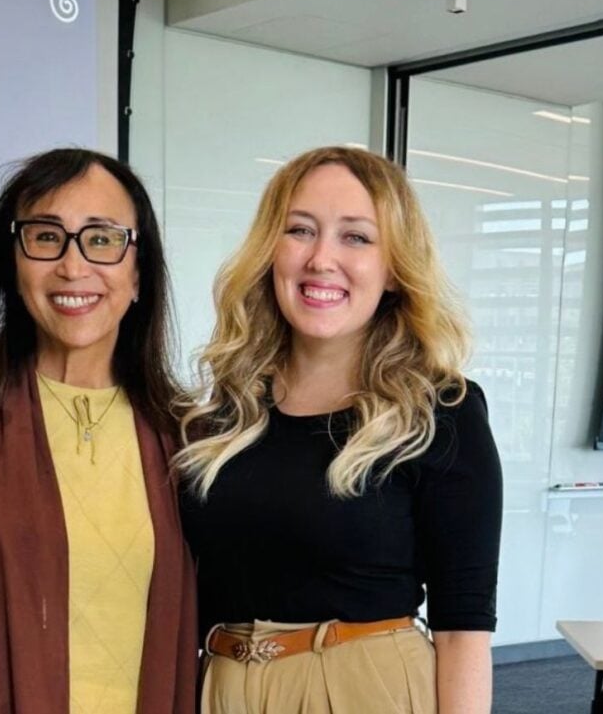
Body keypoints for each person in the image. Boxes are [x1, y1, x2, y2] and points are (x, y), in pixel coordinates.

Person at [175, 146, 502, 714]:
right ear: (269, 251)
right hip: (224, 685)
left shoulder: (440, 411)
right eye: (300, 230)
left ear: (395, 267)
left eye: (356, 237)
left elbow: (462, 627)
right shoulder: (225, 414)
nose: (321, 258)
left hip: (363, 690)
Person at [0, 148, 196, 714]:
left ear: (138, 271)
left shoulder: (185, 433)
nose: (74, 267)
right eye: (46, 237)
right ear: (12, 264)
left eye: (102, 239)